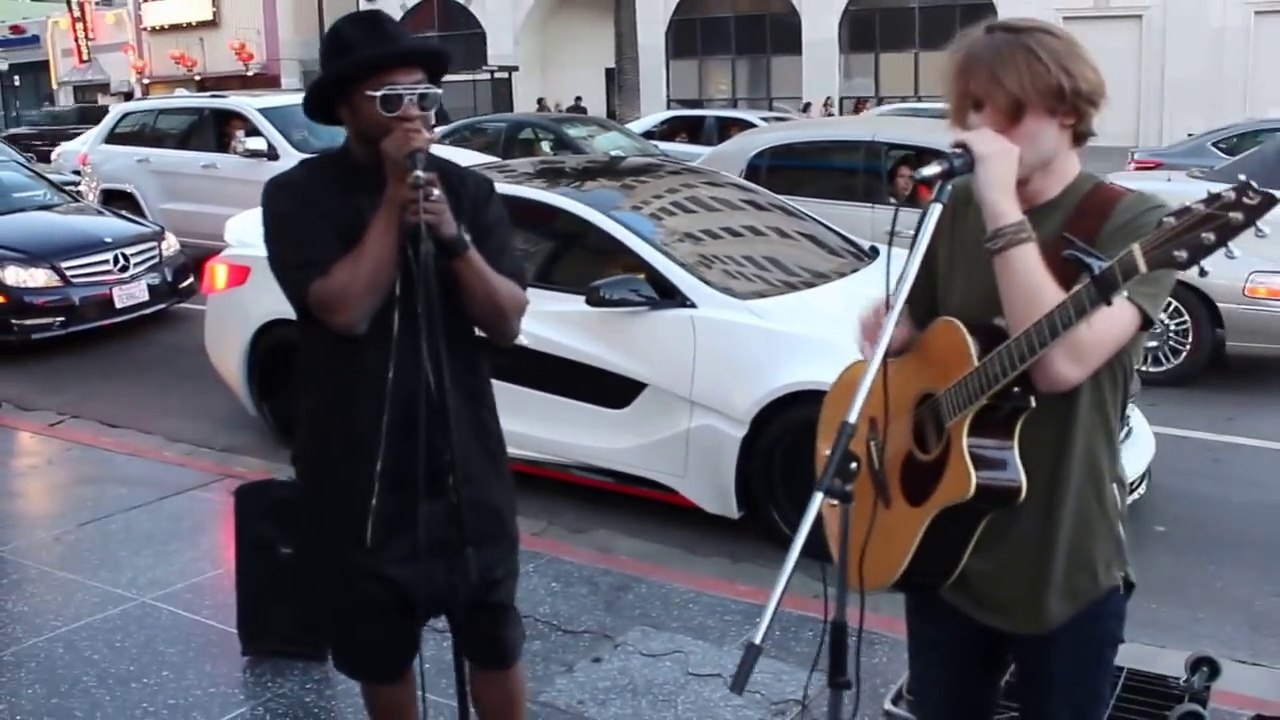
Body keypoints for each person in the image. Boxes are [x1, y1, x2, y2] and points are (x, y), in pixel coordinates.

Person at [858, 17, 1177, 720]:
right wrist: (895, 332)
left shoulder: (1138, 225)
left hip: (1063, 567)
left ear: (1065, 108)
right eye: (971, 109)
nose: (980, 127)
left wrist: (1004, 206)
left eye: (1003, 108)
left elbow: (1060, 363)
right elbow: (924, 331)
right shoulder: (958, 204)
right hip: (946, 554)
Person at [260, 10, 529, 720]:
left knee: (495, 639)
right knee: (381, 649)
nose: (410, 112)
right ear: (347, 107)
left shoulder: (467, 192)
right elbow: (343, 310)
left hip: (465, 465)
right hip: (361, 476)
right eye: (388, 99)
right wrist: (391, 201)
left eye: (422, 96)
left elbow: (504, 320)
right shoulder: (297, 196)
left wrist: (451, 237)